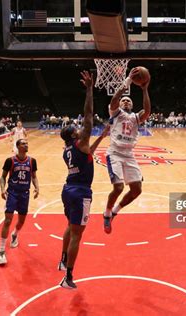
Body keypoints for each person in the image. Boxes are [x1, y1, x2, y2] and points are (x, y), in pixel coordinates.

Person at [58, 71, 109, 289]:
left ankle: (62, 260)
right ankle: (68, 277)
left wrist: (101, 137)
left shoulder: (69, 149)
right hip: (80, 192)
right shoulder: (79, 142)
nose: (81, 128)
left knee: (70, 226)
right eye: (77, 129)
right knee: (78, 234)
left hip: (68, 189)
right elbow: (88, 115)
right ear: (74, 135)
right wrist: (89, 89)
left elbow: (89, 153)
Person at [103, 68, 151, 234]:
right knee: (118, 188)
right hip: (114, 153)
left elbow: (148, 111)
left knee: (137, 190)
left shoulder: (136, 118)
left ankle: (116, 210)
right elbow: (114, 99)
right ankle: (107, 213)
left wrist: (144, 89)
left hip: (129, 155)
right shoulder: (116, 112)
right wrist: (128, 81)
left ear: (132, 105)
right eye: (124, 101)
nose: (125, 102)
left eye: (129, 101)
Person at [0, 139, 39, 265]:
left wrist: (37, 187)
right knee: (8, 220)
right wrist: (3, 189)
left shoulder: (32, 161)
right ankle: (1, 251)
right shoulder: (10, 160)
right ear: (18, 146)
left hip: (25, 194)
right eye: (23, 144)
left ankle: (15, 234)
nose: (26, 145)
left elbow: (34, 176)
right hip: (12, 193)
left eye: (27, 143)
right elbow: (3, 177)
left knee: (21, 221)